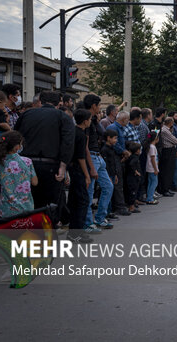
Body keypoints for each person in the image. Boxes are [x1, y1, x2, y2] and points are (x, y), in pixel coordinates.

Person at [15, 91, 74, 225]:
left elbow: (15, 136)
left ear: (40, 101)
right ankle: (47, 237)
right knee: (50, 205)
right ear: (58, 103)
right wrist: (63, 167)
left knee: (29, 203)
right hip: (50, 166)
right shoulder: (62, 117)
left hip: (25, 164)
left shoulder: (26, 114)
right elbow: (68, 143)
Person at [83, 94, 114, 231]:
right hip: (92, 158)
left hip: (98, 157)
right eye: (99, 105)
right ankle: (88, 222)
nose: (100, 108)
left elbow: (103, 133)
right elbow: (85, 145)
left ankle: (100, 218)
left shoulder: (94, 120)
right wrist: (91, 166)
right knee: (89, 192)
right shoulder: (86, 121)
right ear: (93, 106)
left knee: (108, 187)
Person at [0, 130, 37, 217]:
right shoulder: (27, 161)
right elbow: (35, 182)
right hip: (26, 208)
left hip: (6, 210)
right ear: (17, 147)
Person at [68, 109, 94, 242]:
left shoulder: (72, 131)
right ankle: (76, 233)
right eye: (89, 119)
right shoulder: (81, 135)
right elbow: (81, 157)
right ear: (85, 121)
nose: (90, 121)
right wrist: (87, 174)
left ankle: (75, 230)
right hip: (78, 170)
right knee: (82, 201)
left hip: (71, 168)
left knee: (75, 201)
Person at [124, 141, 142, 214]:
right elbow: (132, 164)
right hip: (132, 178)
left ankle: (131, 204)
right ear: (137, 151)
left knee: (131, 191)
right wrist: (136, 171)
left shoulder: (130, 157)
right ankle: (131, 207)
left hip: (129, 177)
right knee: (133, 192)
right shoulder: (135, 158)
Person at [144, 131, 160, 205]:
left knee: (150, 183)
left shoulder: (150, 146)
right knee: (154, 183)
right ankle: (150, 198)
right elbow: (153, 159)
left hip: (149, 167)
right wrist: (156, 169)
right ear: (156, 138)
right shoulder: (152, 147)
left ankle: (149, 197)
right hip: (152, 168)